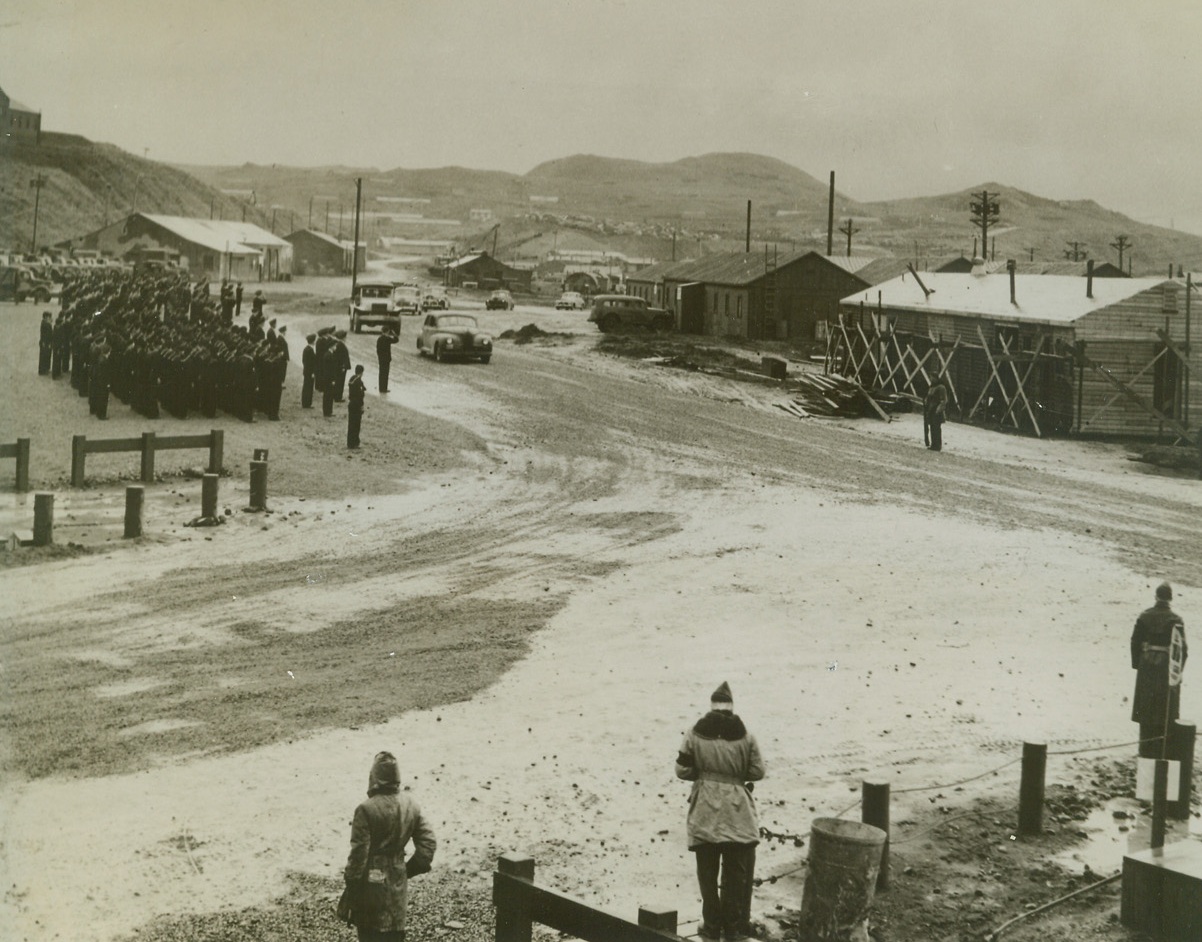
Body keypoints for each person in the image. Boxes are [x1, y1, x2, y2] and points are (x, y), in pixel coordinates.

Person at [676, 682, 765, 942]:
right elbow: (758, 771)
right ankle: (733, 928)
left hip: (705, 807)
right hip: (737, 811)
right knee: (736, 871)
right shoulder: (746, 735)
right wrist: (736, 776)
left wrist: (703, 774)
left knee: (706, 870)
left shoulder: (694, 732)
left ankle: (711, 926)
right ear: (731, 708)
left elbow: (682, 769)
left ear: (712, 706)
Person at [343, 751, 436, 942]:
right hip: (397, 882)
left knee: (371, 934)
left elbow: (358, 857)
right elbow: (428, 846)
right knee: (395, 932)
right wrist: (406, 871)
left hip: (371, 887)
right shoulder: (411, 805)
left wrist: (352, 888)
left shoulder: (365, 809)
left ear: (374, 776)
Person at [1131, 582, 1188, 759]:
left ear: (1156, 597)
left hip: (1147, 664)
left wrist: (1137, 664)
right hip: (1167, 667)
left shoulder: (1144, 616)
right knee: (1166, 706)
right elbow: (1182, 650)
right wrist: (1178, 673)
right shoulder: (1176, 620)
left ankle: (1144, 748)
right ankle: (1163, 748)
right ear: (1170, 599)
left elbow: (1134, 642)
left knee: (1146, 705)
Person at [924, 377, 948, 451]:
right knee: (932, 428)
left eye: (933, 378)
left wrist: (938, 410)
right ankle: (933, 444)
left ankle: (937, 445)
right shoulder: (932, 387)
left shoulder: (941, 387)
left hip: (936, 411)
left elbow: (943, 400)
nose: (931, 379)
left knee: (936, 428)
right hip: (930, 411)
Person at [347, 364, 366, 448]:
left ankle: (350, 442)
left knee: (351, 424)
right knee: (356, 424)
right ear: (361, 372)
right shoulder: (359, 381)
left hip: (351, 403)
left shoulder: (352, 378)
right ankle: (355, 442)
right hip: (356, 404)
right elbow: (360, 394)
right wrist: (362, 406)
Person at [376, 328, 399, 392]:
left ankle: (381, 388)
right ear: (387, 332)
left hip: (381, 359)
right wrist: (394, 334)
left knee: (381, 374)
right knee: (385, 374)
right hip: (387, 359)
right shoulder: (387, 339)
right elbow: (396, 340)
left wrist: (380, 357)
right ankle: (384, 388)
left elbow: (378, 350)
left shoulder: (379, 339)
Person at [301, 333, 318, 408]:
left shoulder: (306, 349)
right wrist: (312, 372)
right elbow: (310, 363)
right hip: (309, 372)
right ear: (313, 341)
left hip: (306, 372)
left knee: (306, 387)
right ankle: (307, 403)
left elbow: (304, 361)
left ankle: (305, 402)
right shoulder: (310, 350)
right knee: (309, 388)